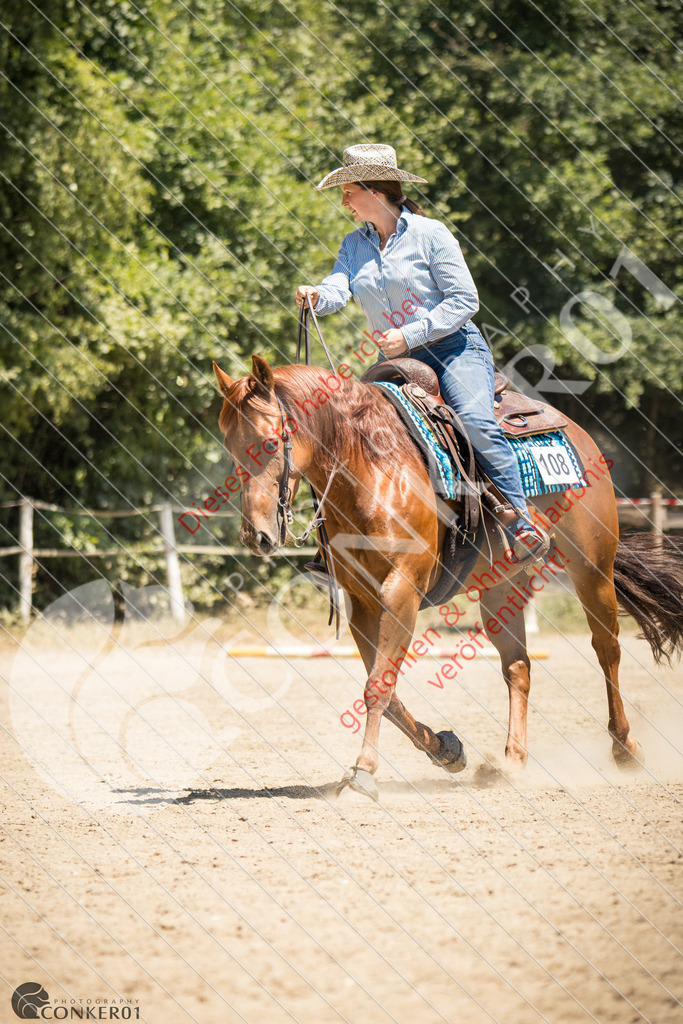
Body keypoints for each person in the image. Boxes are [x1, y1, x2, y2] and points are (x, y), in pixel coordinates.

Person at [296, 142, 546, 564]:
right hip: (396, 362)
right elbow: (338, 287)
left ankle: (521, 520)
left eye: (349, 192)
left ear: (375, 192)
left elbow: (464, 300)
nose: (344, 202)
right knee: (350, 430)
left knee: (474, 420)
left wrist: (410, 333)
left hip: (454, 349)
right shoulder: (354, 245)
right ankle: (347, 538)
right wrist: (318, 296)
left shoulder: (432, 234)